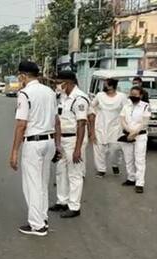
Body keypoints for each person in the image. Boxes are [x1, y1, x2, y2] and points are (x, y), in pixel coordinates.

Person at [10, 61, 60, 236]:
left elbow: (21, 124)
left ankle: (37, 225)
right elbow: (56, 120)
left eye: (19, 76)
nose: (19, 79)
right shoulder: (50, 92)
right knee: (42, 182)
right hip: (49, 141)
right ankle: (42, 217)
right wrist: (58, 144)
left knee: (32, 184)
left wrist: (15, 151)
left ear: (23, 75)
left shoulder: (25, 94)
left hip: (33, 142)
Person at [49, 71, 89, 218]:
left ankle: (74, 206)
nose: (57, 85)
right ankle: (62, 201)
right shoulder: (63, 98)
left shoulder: (80, 99)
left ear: (69, 82)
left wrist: (77, 149)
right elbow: (58, 121)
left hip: (74, 140)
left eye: (60, 82)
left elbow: (81, 124)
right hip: (63, 140)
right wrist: (57, 143)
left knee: (75, 173)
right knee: (60, 172)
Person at [90, 78, 127, 178]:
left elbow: (127, 110)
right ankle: (101, 169)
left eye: (106, 84)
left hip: (116, 127)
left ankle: (115, 164)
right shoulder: (100, 95)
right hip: (100, 126)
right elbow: (91, 107)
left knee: (115, 149)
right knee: (99, 149)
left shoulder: (122, 97)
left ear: (112, 86)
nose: (104, 86)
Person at [119, 87, 151, 194]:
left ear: (141, 95)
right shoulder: (126, 105)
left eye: (136, 94)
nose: (133, 96)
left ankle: (139, 183)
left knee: (139, 160)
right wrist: (129, 132)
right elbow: (122, 119)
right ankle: (131, 178)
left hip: (140, 136)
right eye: (131, 94)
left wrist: (134, 133)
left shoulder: (145, 106)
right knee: (128, 158)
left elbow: (144, 123)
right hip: (127, 135)